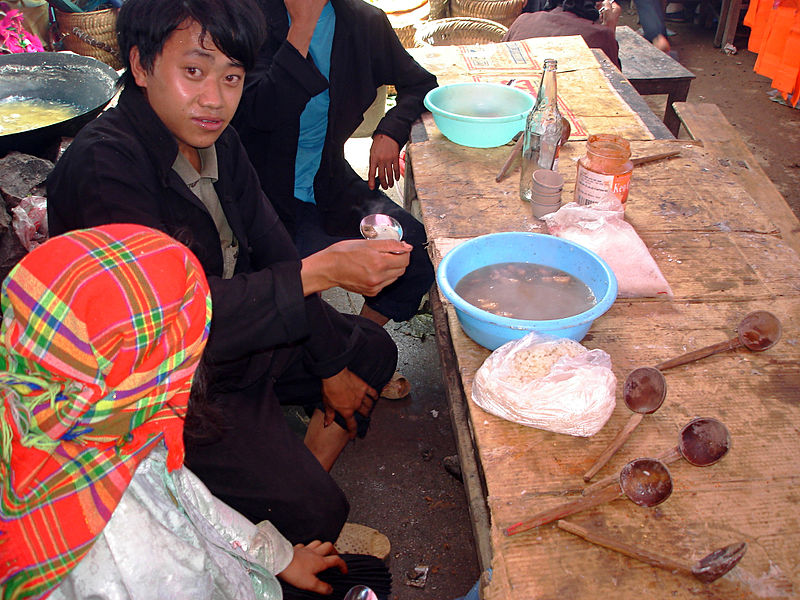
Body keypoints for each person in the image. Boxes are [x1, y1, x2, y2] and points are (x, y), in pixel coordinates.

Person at [46, 0, 408, 546]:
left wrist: (330, 361)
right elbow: (168, 328)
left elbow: (276, 252)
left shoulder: (219, 142)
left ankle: (278, 514)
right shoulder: (106, 171)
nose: (214, 99)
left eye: (232, 76)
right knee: (321, 513)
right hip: (163, 391)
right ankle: (261, 531)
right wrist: (318, 273)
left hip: (233, 343)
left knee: (369, 353)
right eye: (193, 71)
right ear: (141, 66)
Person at [0, 223, 392, 600]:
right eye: (188, 351)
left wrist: (279, 556)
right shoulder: (131, 543)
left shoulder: (76, 412)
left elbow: (189, 497)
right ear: (145, 378)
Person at [232, 0, 438, 330]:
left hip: (328, 182)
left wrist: (390, 131)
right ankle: (336, 362)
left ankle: (361, 343)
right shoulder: (247, 18)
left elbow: (421, 83)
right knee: (287, 295)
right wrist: (302, 26)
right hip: (260, 196)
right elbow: (263, 112)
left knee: (411, 252)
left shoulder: (362, 21)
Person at [505, 0, 623, 68]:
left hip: (518, 105)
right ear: (598, 5)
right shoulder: (600, 36)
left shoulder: (522, 21)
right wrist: (610, 25)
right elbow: (616, 85)